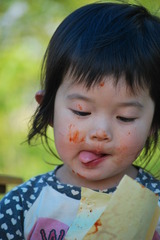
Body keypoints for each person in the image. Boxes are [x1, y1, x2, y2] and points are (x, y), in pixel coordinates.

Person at [0, 2, 160, 239]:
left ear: (154, 123)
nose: (100, 132)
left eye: (125, 117)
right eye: (81, 111)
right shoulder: (21, 206)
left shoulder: (155, 205)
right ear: (48, 109)